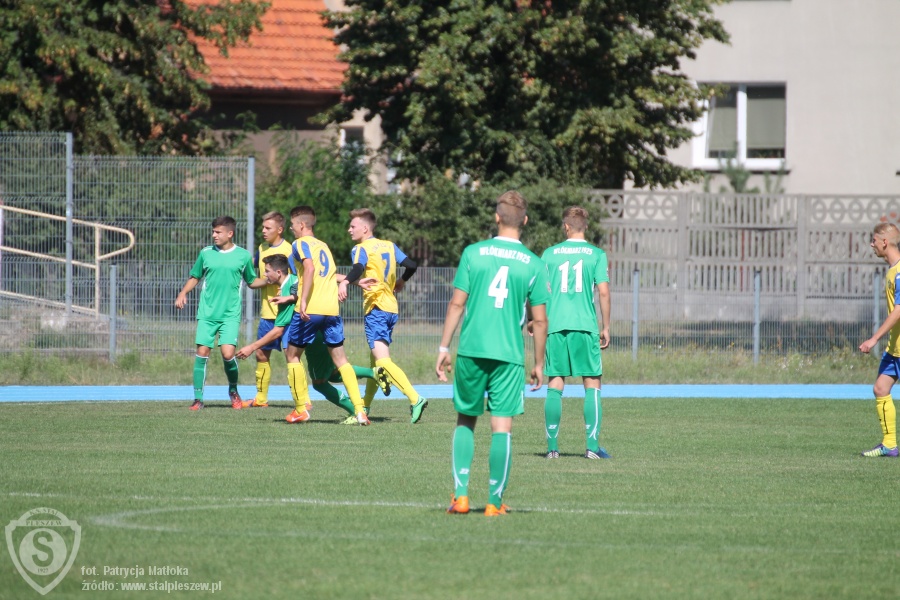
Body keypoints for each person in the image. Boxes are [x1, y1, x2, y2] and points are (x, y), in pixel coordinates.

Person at [435, 191, 550, 516]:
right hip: (509, 355)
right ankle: (494, 502)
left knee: (465, 420)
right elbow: (540, 320)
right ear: (525, 220)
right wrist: (539, 363)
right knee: (502, 427)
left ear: (497, 217)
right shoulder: (534, 263)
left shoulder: (473, 253)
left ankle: (461, 496)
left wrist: (444, 347)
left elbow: (457, 303)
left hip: (471, 350)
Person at [236, 255, 389, 422]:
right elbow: (329, 276)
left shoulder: (287, 290)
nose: (264, 275)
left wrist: (251, 347)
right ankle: (372, 373)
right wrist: (355, 281)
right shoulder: (296, 279)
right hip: (324, 326)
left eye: (267, 271)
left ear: (278, 272)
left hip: (313, 337)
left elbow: (278, 331)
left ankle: (352, 411)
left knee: (319, 383)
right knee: (333, 373)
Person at [338, 208, 427, 423]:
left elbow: (358, 267)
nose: (349, 229)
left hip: (376, 308)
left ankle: (415, 398)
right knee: (375, 364)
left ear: (365, 228)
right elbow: (412, 265)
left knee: (383, 361)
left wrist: (345, 282)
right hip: (391, 308)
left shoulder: (360, 248)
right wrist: (402, 280)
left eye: (353, 226)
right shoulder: (389, 245)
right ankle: (364, 408)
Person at [282, 205, 369, 425]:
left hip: (310, 310)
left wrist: (303, 300)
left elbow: (310, 269)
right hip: (331, 310)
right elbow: (328, 275)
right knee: (342, 361)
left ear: (302, 224)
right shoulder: (323, 246)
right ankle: (360, 411)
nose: (291, 229)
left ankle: (301, 409)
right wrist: (355, 281)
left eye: (292, 225)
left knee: (292, 355)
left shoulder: (299, 244)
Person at [540, 206, 612, 459]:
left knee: (555, 382)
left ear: (566, 227)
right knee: (592, 383)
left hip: (555, 325)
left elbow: (539, 292)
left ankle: (552, 449)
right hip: (585, 325)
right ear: (586, 227)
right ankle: (592, 447)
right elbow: (603, 292)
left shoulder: (549, 254)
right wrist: (606, 326)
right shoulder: (597, 254)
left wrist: (536, 321)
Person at [175, 216, 257, 410]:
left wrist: (272, 281)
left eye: (218, 232)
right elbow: (195, 276)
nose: (214, 235)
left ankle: (233, 391)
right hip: (207, 313)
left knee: (228, 354)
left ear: (230, 233)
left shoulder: (243, 256)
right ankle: (198, 399)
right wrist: (183, 293)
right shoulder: (206, 253)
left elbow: (252, 281)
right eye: (213, 231)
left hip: (230, 314)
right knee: (202, 352)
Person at [243, 211, 294, 408]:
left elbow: (297, 277)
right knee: (261, 354)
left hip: (287, 313)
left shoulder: (290, 250)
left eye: (268, 228)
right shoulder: (262, 248)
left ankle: (303, 400)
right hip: (267, 312)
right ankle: (261, 399)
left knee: (292, 356)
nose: (263, 231)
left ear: (280, 229)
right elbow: (258, 275)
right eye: (262, 227)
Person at [858, 222, 900, 457]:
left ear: (885, 241)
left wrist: (874, 338)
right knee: (880, 388)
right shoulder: (892, 270)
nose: (871, 244)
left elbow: (899, 311)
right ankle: (890, 445)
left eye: (874, 240)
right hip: (895, 349)